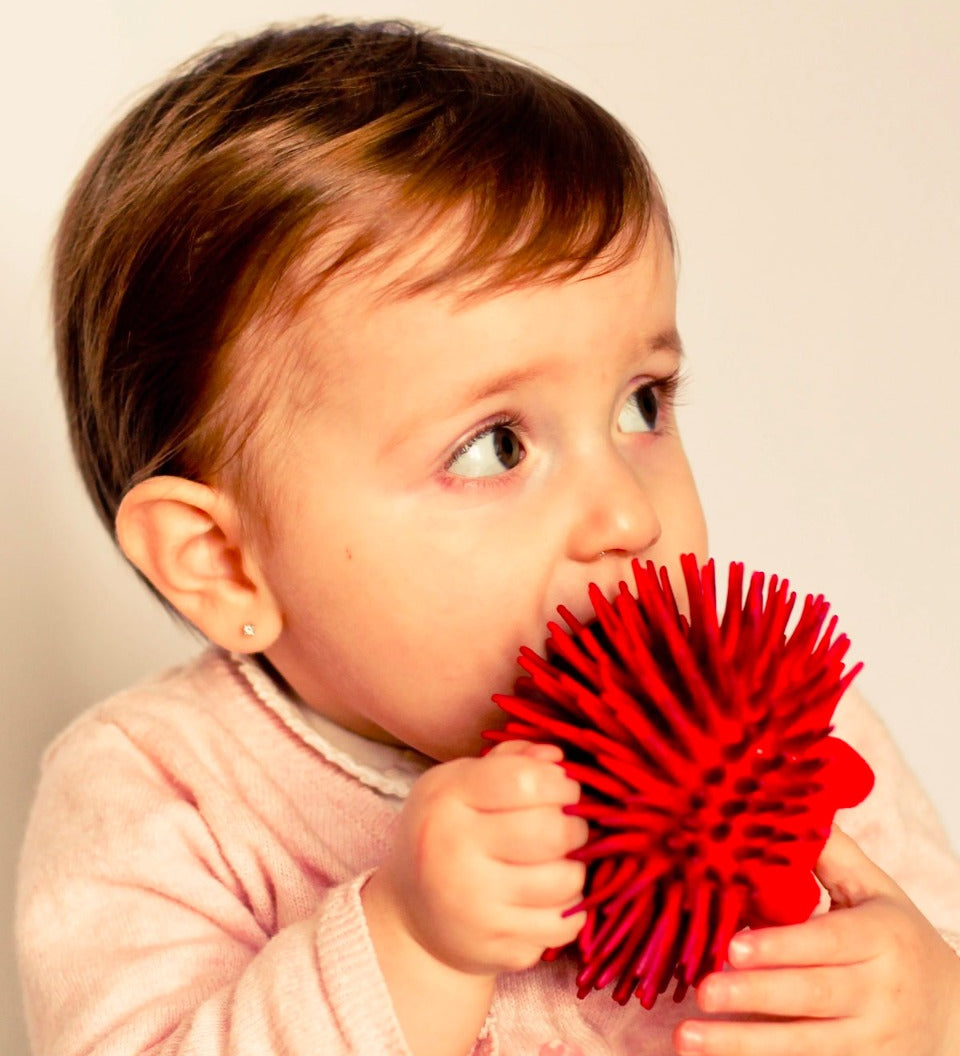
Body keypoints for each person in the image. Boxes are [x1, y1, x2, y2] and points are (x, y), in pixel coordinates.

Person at [16, 18, 960, 1056]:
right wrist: (411, 947)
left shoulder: (784, 724)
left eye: (643, 404)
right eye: (494, 446)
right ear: (223, 563)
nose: (627, 517)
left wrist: (928, 1008)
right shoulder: (163, 794)